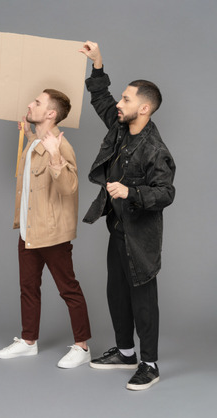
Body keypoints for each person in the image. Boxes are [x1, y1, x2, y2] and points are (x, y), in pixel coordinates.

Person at [80, 41, 176, 390]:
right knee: (116, 292)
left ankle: (149, 364)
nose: (119, 105)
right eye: (121, 99)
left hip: (141, 237)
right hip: (117, 228)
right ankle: (125, 353)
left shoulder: (155, 150)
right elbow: (102, 100)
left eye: (126, 99)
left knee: (143, 300)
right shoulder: (121, 127)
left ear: (145, 108)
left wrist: (131, 192)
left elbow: (166, 193)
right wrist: (98, 65)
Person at [0, 89, 91, 368]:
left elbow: (69, 188)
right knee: (28, 288)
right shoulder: (36, 141)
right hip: (28, 230)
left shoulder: (60, 145)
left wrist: (55, 157)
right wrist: (28, 134)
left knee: (68, 288)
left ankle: (82, 346)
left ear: (51, 114)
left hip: (51, 233)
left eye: (37, 103)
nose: (29, 104)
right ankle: (28, 342)